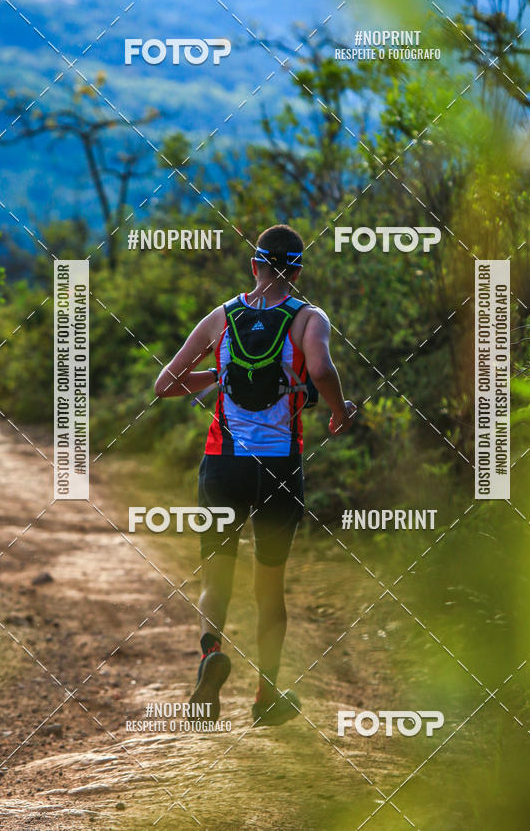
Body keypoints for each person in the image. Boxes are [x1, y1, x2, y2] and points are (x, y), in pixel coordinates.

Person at [155, 224, 355, 726]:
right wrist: (338, 412)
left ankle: (210, 654)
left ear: (255, 267)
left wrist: (219, 374)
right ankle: (267, 696)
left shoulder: (221, 317)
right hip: (280, 467)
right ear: (298, 270)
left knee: (216, 576)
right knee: (271, 587)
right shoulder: (308, 318)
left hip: (223, 465)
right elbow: (324, 371)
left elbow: (166, 384)